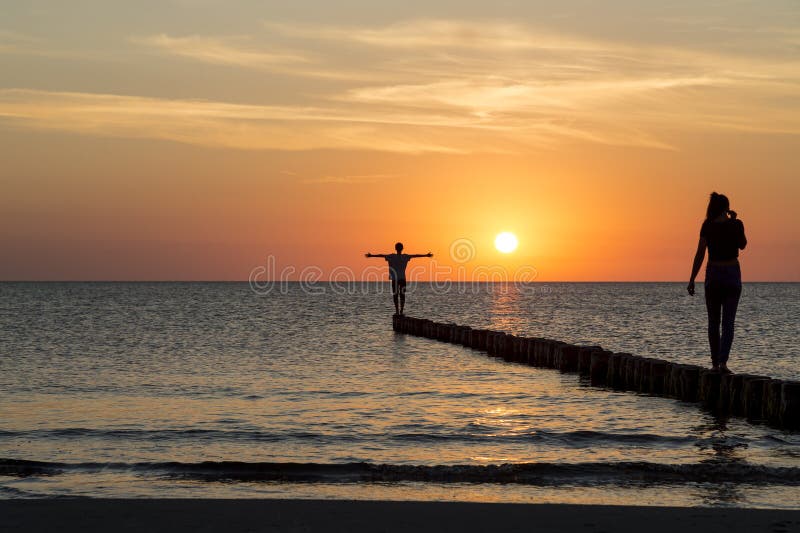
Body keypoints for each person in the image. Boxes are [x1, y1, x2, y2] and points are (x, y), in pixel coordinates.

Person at [687, 192, 747, 373]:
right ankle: (723, 363)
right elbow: (742, 245)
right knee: (728, 322)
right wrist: (736, 222)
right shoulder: (735, 224)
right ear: (726, 208)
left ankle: (714, 364)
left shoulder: (707, 226)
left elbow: (700, 254)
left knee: (713, 322)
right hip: (731, 274)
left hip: (713, 275)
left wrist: (692, 278)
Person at [365, 243, 433, 315]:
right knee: (402, 295)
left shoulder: (392, 256)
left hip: (395, 279)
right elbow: (415, 255)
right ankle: (401, 311)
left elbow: (381, 255)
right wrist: (426, 255)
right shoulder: (405, 256)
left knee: (396, 295)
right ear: (402, 248)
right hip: (402, 279)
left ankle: (397, 311)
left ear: (395, 248)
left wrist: (371, 255)